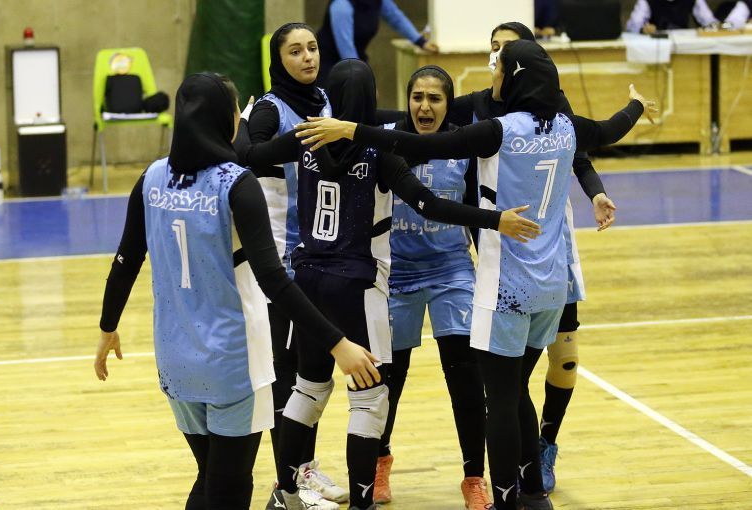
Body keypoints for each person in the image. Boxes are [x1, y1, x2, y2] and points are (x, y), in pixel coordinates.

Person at [295, 40, 654, 510]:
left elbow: (427, 148)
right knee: (507, 391)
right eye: (418, 98)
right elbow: (609, 129)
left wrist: (351, 128)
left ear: (516, 78)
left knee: (495, 396)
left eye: (498, 68)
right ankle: (530, 492)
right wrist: (636, 104)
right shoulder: (566, 125)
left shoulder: (497, 132)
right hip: (544, 284)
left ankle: (495, 489)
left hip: (496, 284)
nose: (492, 76)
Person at [237, 58, 540, 510]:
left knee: (307, 389)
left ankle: (285, 492)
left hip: (308, 282)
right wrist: (496, 219)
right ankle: (363, 502)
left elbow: (251, 156)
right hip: (358, 285)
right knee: (370, 399)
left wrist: (243, 120)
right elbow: (429, 204)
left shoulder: (304, 137)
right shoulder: (379, 151)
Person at [93, 72, 381, 510]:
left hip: (175, 359)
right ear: (226, 119)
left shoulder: (150, 178)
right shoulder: (236, 184)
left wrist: (107, 327)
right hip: (233, 362)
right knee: (229, 488)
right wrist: (338, 343)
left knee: (209, 477)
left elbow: (125, 260)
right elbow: (274, 279)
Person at [448, 20, 619, 494]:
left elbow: (581, 152)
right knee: (509, 379)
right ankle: (521, 469)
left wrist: (596, 192)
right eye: (494, 47)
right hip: (502, 249)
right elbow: (427, 119)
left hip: (551, 246)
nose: (497, 55)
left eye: (506, 48)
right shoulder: (482, 107)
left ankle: (544, 445)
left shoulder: (551, 107)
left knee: (563, 359)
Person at [233, 22, 346, 508]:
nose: (308, 57)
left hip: (322, 254)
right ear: (279, 60)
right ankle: (288, 483)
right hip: (282, 258)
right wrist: (297, 139)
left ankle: (304, 469)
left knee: (311, 374)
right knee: (286, 374)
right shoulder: (268, 108)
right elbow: (245, 155)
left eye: (312, 48)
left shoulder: (326, 101)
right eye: (296, 51)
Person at [370, 64, 491, 508]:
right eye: (417, 97)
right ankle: (380, 459)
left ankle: (474, 477)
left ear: (448, 103)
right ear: (407, 101)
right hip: (397, 274)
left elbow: (475, 212)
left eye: (435, 98)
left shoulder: (463, 146)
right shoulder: (387, 141)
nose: (425, 106)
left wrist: (490, 272)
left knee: (465, 377)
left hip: (451, 272)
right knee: (389, 379)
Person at [316, 0, 438, 85]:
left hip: (355, 60)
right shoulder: (341, 6)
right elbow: (346, 48)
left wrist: (421, 42)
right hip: (329, 64)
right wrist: (362, 80)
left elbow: (396, 17)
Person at [625, 0, 721, 33]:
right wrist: (643, 29)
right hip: (655, 47)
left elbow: (709, 21)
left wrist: (717, 26)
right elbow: (632, 26)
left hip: (684, 45)